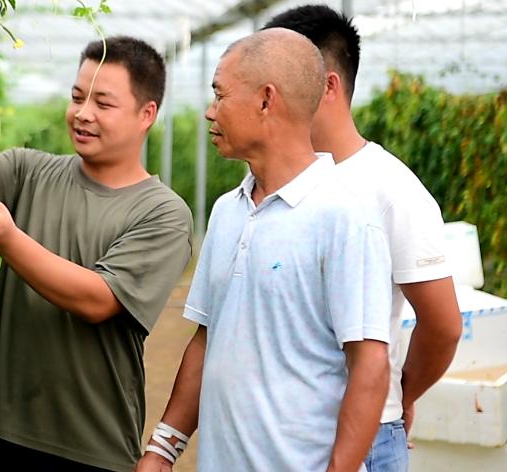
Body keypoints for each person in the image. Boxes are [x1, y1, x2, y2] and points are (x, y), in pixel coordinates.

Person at [136, 28, 393, 472]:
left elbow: (370, 365)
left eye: (220, 95)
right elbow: (207, 339)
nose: (209, 112)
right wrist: (163, 447)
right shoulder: (227, 211)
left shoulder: (344, 216)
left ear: (266, 100)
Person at [0, 36, 194, 471]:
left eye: (103, 103)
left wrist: (8, 239)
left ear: (146, 114)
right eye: (77, 97)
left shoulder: (163, 213)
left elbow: (97, 299)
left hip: (86, 445)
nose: (83, 113)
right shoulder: (26, 172)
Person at [263, 5, 463, 472]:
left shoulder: (389, 189)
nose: (264, 98)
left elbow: (444, 324)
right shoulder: (272, 182)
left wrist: (397, 394)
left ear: (328, 85)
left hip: (361, 440)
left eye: (276, 80)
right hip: (280, 432)